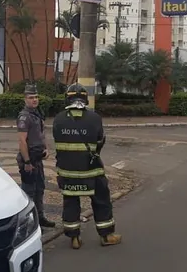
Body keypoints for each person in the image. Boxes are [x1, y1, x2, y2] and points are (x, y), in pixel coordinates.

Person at [52, 83, 122, 249]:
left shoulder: (59, 119)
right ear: (85, 99)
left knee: (70, 202)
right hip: (91, 171)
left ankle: (74, 238)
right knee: (101, 201)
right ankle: (106, 236)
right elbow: (99, 141)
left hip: (67, 172)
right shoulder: (94, 118)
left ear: (67, 98)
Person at [16, 83, 56, 229]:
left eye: (36, 97)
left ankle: (40, 218)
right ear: (25, 99)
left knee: (40, 190)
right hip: (29, 160)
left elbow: (41, 135)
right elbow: (22, 140)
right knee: (29, 193)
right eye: (31, 97)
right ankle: (29, 225)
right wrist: (27, 162)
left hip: (38, 159)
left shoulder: (36, 114)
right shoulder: (24, 117)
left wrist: (45, 149)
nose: (35, 100)